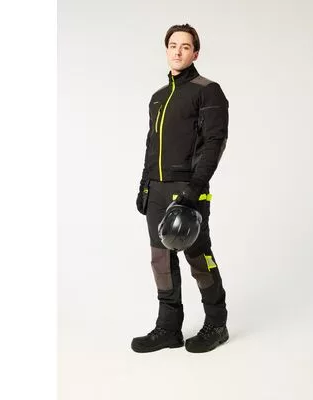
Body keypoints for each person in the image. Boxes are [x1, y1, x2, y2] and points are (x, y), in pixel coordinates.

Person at [132, 23, 229, 353]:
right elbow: (151, 145)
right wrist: (144, 186)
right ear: (166, 50)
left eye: (185, 46)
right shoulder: (158, 98)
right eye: (173, 45)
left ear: (195, 53)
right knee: (160, 261)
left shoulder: (207, 90)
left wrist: (194, 188)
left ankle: (217, 324)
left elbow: (215, 142)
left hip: (188, 190)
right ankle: (168, 328)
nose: (178, 51)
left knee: (199, 258)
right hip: (157, 191)